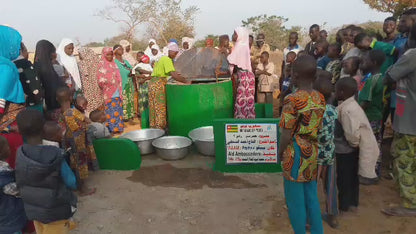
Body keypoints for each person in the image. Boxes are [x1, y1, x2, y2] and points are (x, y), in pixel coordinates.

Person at [278, 55, 325, 234]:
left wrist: (279, 153)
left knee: (295, 201)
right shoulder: (320, 98)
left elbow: (286, 133)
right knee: (311, 197)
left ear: (295, 76)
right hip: (312, 152)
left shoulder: (292, 100)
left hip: (295, 154)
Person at [15, 109, 77, 233]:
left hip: (34, 211)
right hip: (56, 212)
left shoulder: (20, 153)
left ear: (20, 131)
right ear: (44, 128)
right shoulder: (55, 154)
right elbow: (71, 182)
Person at [382, 24, 416, 216]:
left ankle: (411, 204)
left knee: (403, 159)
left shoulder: (412, 55)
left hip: (410, 120)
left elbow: (390, 76)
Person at [335, 77, 379, 211]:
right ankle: (353, 202)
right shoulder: (352, 105)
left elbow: (351, 133)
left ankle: (345, 205)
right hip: (352, 150)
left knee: (344, 178)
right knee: (352, 177)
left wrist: (353, 144)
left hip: (347, 150)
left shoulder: (347, 110)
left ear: (342, 92)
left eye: (336, 90)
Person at [57, 86, 97, 195]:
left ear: (57, 99)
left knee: (73, 164)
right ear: (70, 98)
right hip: (79, 143)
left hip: (68, 144)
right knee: (81, 165)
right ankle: (83, 188)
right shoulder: (73, 112)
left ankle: (76, 185)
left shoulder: (59, 114)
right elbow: (88, 120)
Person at [314, 71, 339, 229]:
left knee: (311, 187)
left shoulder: (315, 112)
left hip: (316, 156)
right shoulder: (332, 110)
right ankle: (332, 215)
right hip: (330, 153)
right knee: (330, 186)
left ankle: (310, 218)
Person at [0, 25, 26, 170]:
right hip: (8, 128)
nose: (17, 48)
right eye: (15, 44)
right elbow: (1, 98)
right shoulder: (6, 67)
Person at [359, 50, 386, 180]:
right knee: (376, 144)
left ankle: (370, 173)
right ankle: (374, 172)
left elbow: (365, 102)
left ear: (373, 63)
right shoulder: (380, 77)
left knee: (370, 145)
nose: (363, 63)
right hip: (376, 115)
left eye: (366, 60)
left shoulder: (371, 79)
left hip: (369, 117)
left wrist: (355, 113)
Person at [150, 42, 190, 129]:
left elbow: (170, 72)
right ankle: (161, 129)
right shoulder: (167, 59)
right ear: (170, 51)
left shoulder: (161, 58)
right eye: (175, 53)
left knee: (154, 107)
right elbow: (174, 75)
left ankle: (154, 129)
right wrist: (186, 81)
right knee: (160, 108)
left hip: (153, 82)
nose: (175, 55)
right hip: (158, 84)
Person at [0, 135, 28, 234]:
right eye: (7, 146)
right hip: (9, 222)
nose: (9, 147)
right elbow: (19, 191)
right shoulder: (4, 176)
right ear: (2, 152)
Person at [228, 27, 256, 119]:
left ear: (240, 35)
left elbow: (231, 60)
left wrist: (225, 53)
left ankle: (240, 122)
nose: (233, 36)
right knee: (249, 101)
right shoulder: (244, 45)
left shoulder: (239, 45)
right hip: (249, 76)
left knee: (241, 100)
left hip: (243, 76)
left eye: (235, 34)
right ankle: (249, 120)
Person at [34, 40, 66, 115]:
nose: (55, 55)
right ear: (47, 53)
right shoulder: (45, 68)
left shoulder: (38, 65)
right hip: (51, 107)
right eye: (53, 52)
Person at [96, 47, 124, 134]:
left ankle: (119, 128)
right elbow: (100, 80)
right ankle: (112, 129)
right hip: (108, 92)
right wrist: (109, 82)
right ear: (104, 55)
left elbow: (118, 76)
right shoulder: (101, 65)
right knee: (110, 110)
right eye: (108, 54)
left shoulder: (114, 64)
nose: (110, 56)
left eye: (111, 54)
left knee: (118, 110)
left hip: (117, 90)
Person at [13, 42, 44, 112]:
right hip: (34, 103)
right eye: (26, 50)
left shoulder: (9, 65)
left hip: (19, 106)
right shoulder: (27, 64)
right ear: (21, 51)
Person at [78, 47, 104, 114]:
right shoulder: (97, 60)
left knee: (89, 104)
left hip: (88, 87)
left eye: (79, 54)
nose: (79, 56)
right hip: (97, 85)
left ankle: (92, 118)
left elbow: (85, 73)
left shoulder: (82, 63)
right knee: (98, 101)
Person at [113, 44, 135, 120]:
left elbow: (132, 69)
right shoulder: (115, 62)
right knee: (124, 100)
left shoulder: (125, 61)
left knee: (130, 99)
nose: (122, 50)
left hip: (129, 83)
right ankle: (124, 116)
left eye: (122, 49)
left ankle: (130, 115)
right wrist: (129, 71)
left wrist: (131, 72)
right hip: (122, 84)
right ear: (115, 52)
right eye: (120, 49)